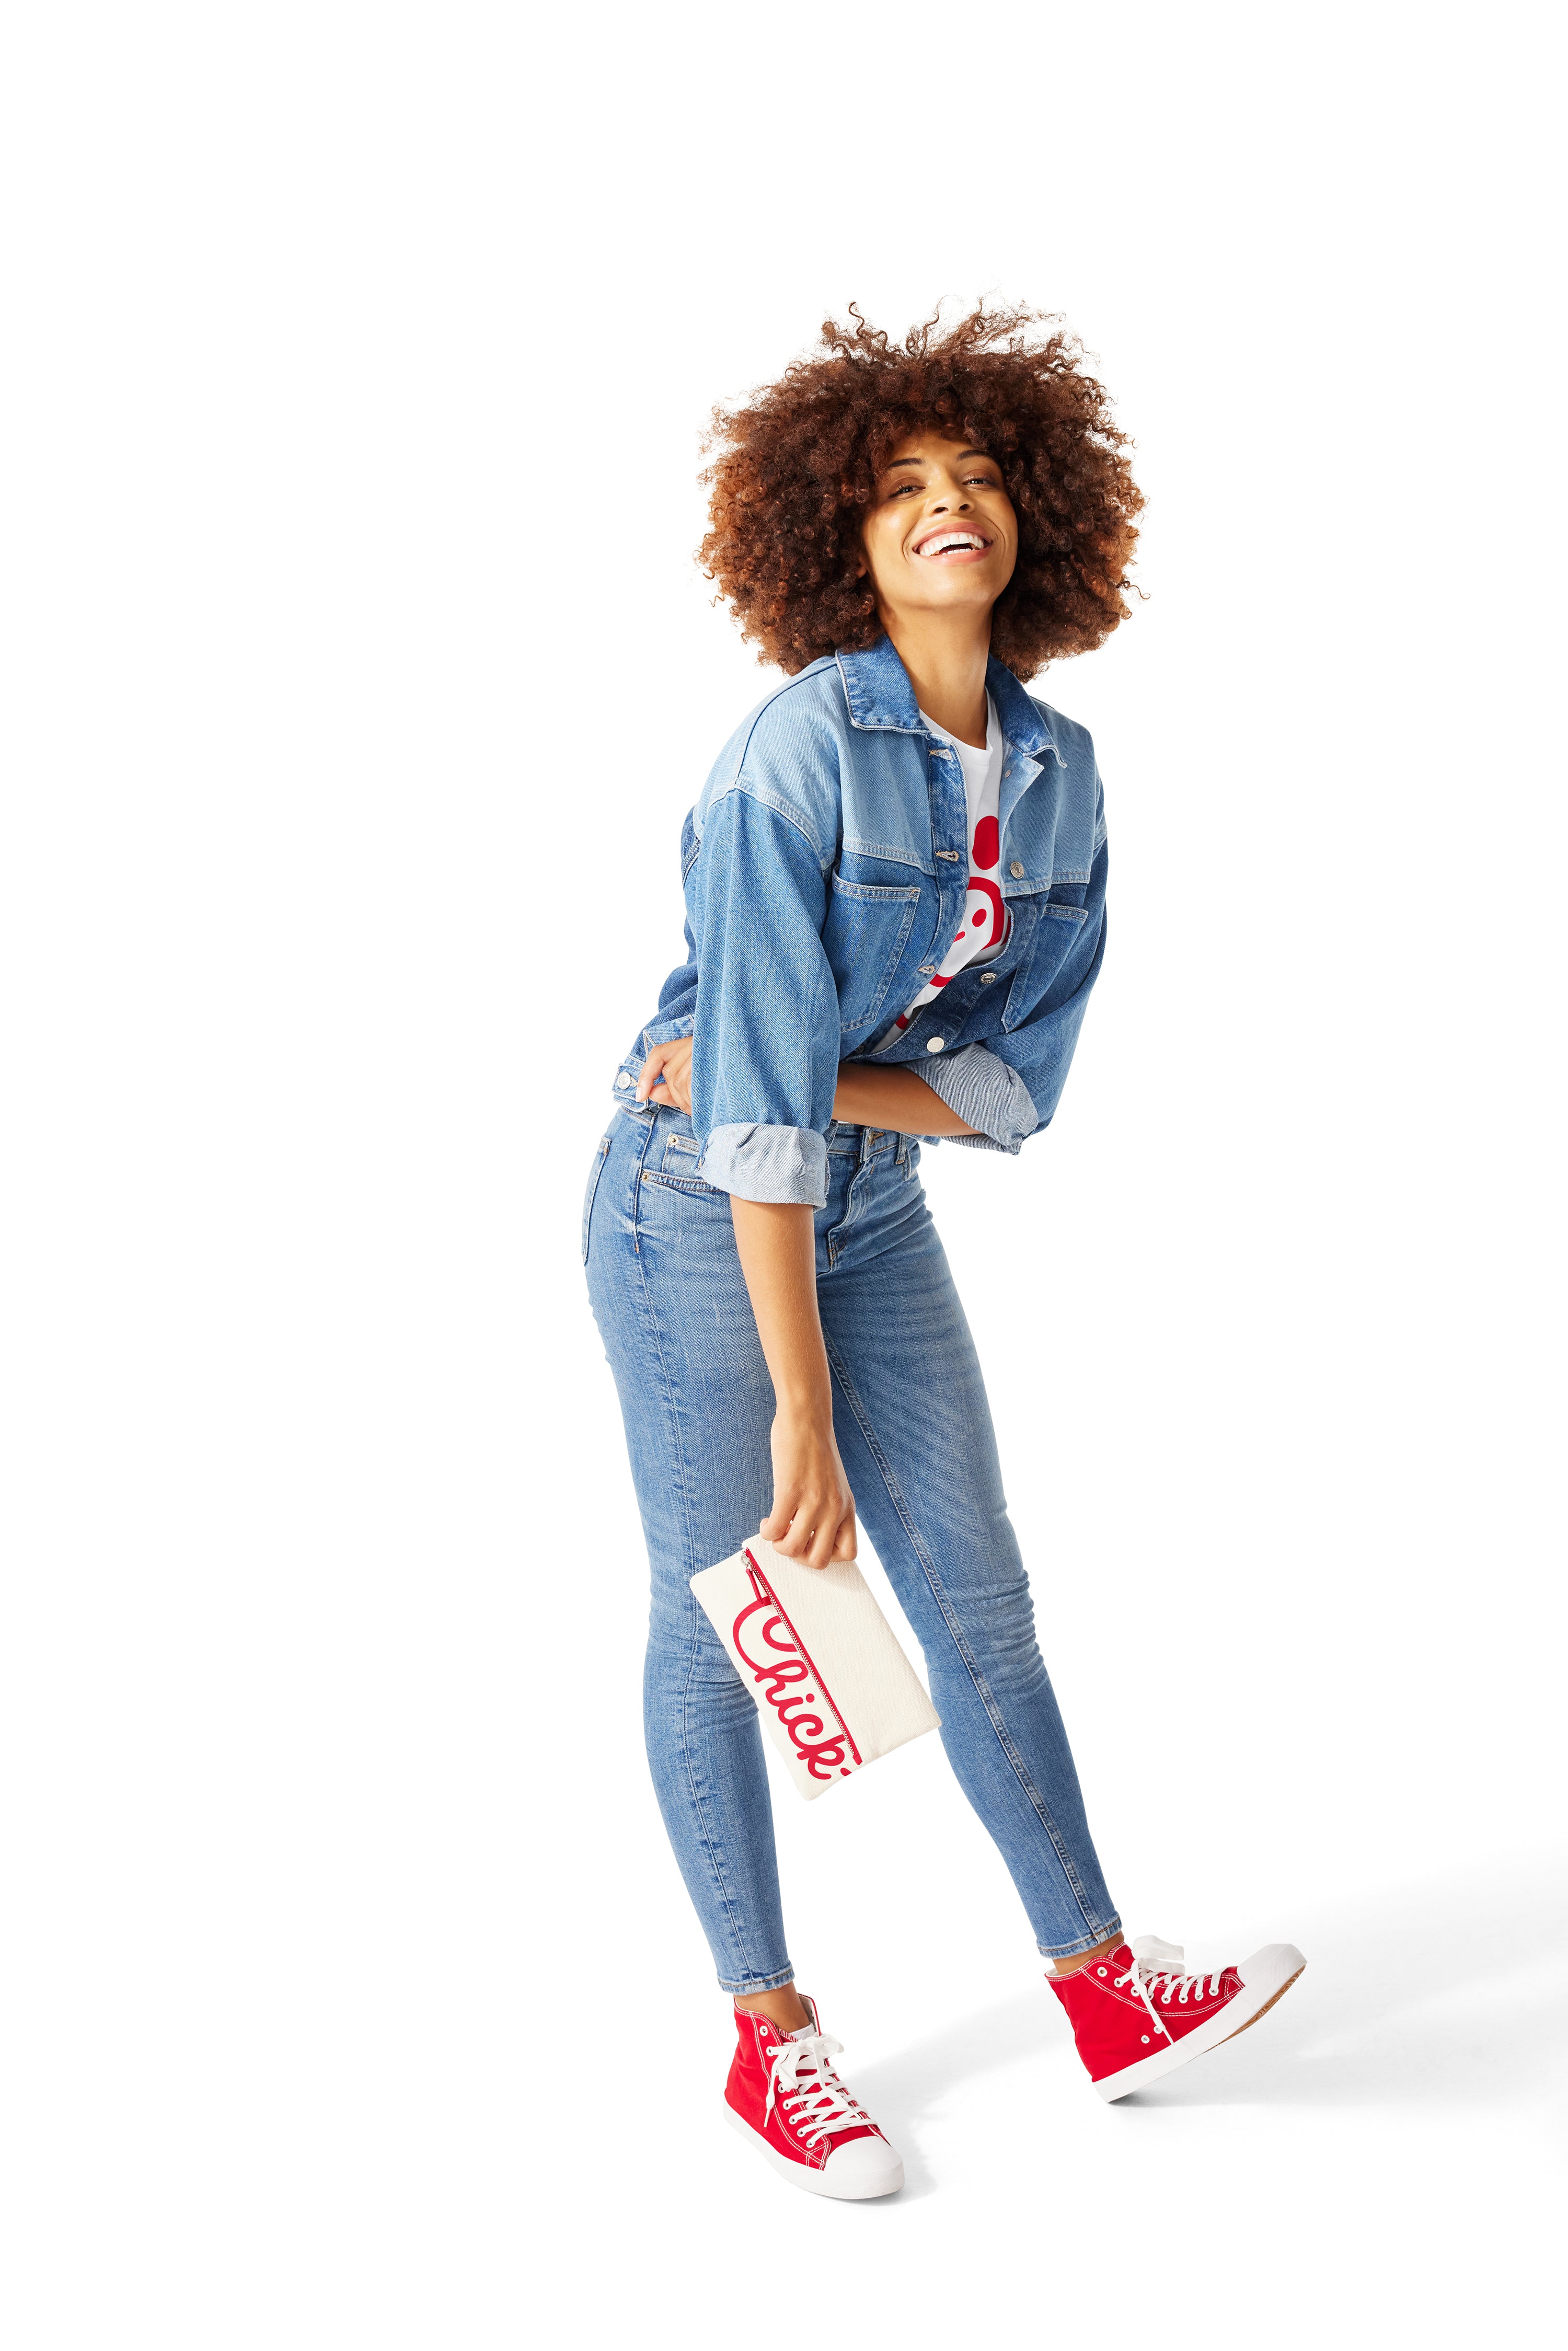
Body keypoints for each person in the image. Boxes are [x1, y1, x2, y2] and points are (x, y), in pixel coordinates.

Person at [583, 307, 1304, 2200]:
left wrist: (815, 1070)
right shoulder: (790, 751)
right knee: (726, 1608)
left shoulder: (1058, 772)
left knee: (980, 1595)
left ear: (1037, 517)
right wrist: (800, 1401)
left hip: (863, 1198)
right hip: (693, 1210)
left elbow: (1007, 1091)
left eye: (976, 475)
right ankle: (773, 2035)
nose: (945, 506)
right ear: (842, 536)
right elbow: (737, 1108)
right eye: (900, 487)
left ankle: (1103, 1987)